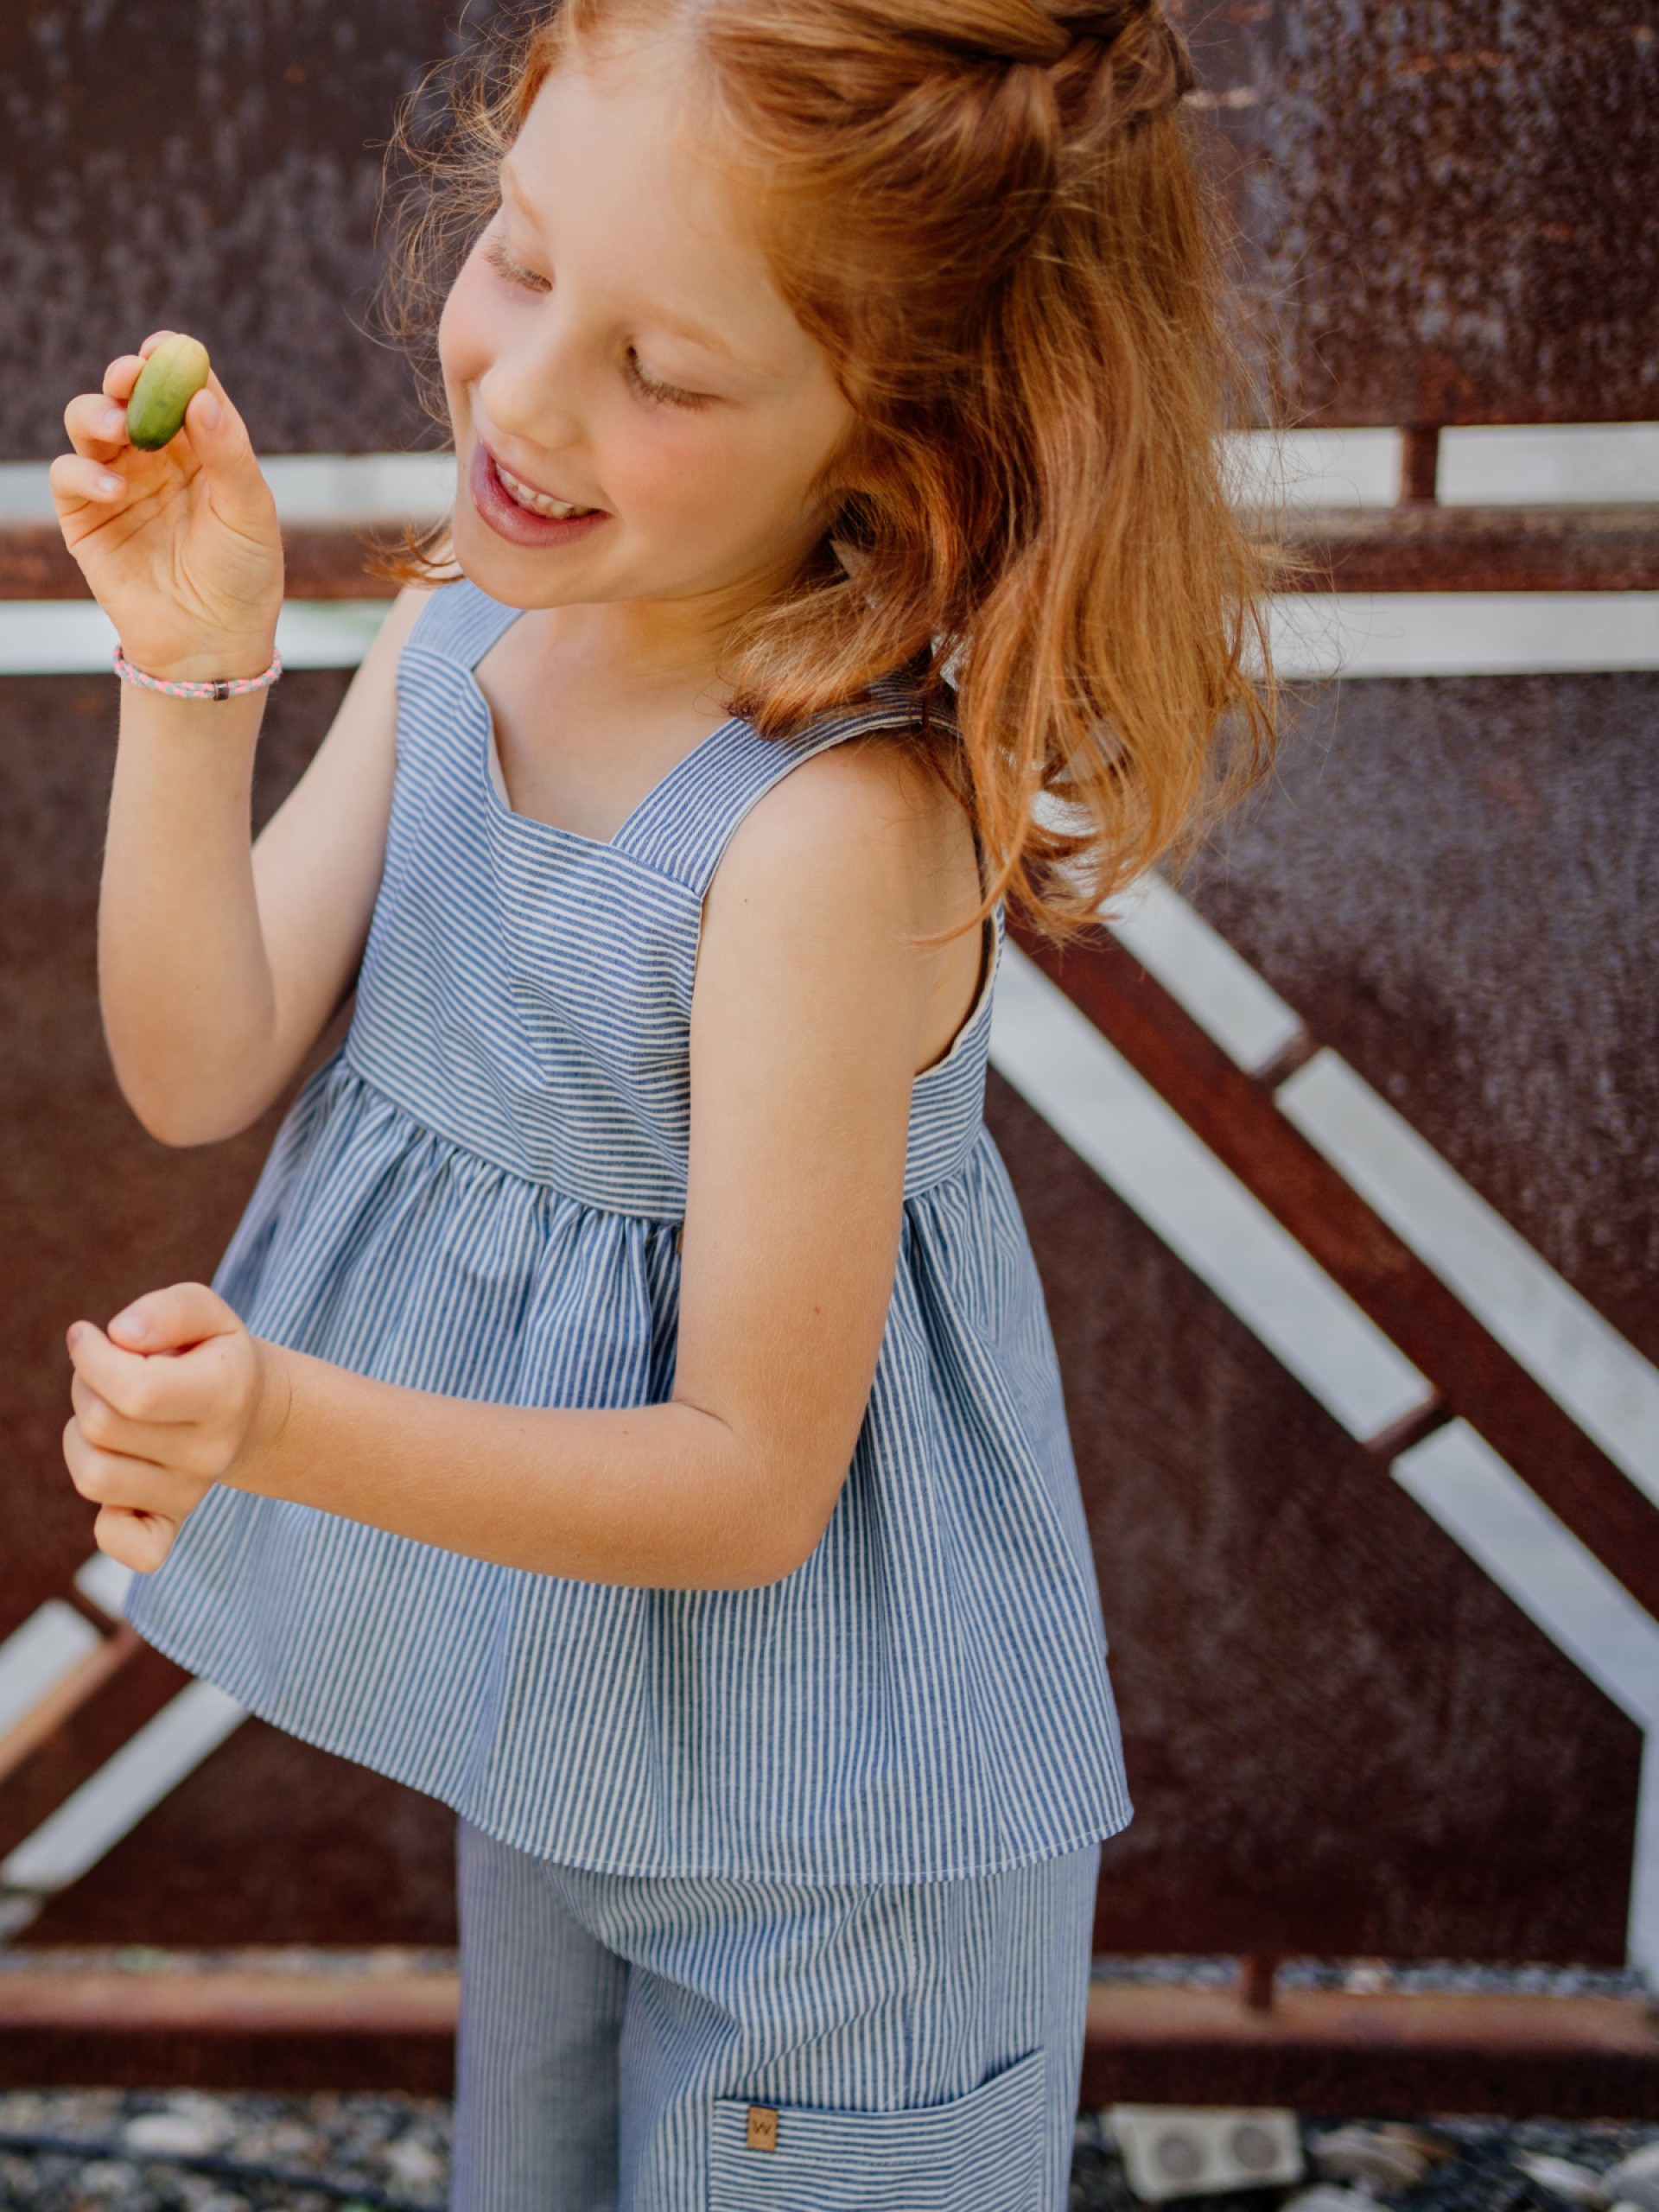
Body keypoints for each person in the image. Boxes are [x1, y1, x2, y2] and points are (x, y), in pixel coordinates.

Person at [52, 3, 1271, 2206]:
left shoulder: (825, 837)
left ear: (909, 439)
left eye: (667, 374)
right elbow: (197, 1058)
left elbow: (744, 1478)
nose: (523, 398)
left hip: (845, 1870)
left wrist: (277, 1421)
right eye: (521, 259)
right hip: (579, 1735)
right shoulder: (467, 625)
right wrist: (191, 659)